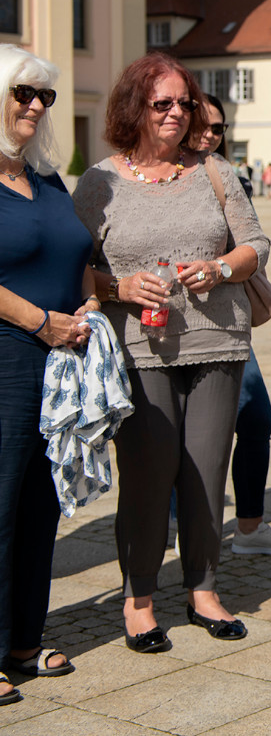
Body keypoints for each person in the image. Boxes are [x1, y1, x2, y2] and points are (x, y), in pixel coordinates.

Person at [73, 52, 271, 653]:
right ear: (135, 107)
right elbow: (74, 268)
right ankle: (139, 599)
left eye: (185, 103)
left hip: (218, 342)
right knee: (149, 474)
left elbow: (256, 245)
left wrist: (218, 266)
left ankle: (203, 590)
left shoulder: (213, 171)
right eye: (163, 103)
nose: (177, 114)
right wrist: (120, 288)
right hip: (138, 348)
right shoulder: (99, 181)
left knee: (207, 470)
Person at [0, 46, 92, 702]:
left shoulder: (47, 178)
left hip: (58, 366)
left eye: (45, 96)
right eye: (23, 93)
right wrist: (41, 321)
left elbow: (76, 251)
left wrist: (89, 301)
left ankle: (24, 641)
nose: (36, 105)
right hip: (7, 359)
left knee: (42, 504)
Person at [189, 96, 271, 557]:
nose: (211, 135)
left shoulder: (225, 177)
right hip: (180, 324)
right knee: (183, 436)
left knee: (256, 418)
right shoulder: (168, 178)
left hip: (230, 320)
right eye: (204, 125)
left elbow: (253, 240)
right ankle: (182, 527)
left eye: (219, 128)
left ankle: (250, 528)